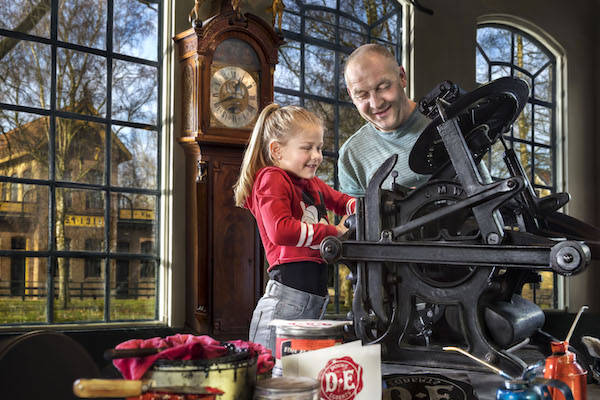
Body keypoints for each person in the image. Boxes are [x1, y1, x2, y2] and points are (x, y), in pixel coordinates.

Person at [233, 103, 356, 357]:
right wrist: (333, 231)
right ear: (277, 150)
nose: (317, 155)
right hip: (285, 304)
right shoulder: (272, 177)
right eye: (307, 148)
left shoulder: (312, 184)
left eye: (319, 147)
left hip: (313, 302)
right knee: (269, 382)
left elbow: (343, 201)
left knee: (298, 380)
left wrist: (363, 207)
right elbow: (280, 230)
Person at [339, 43, 490, 196]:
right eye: (362, 95)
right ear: (351, 96)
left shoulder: (448, 123)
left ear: (402, 77)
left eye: (383, 87)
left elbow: (487, 201)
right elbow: (352, 216)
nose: (376, 103)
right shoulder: (351, 156)